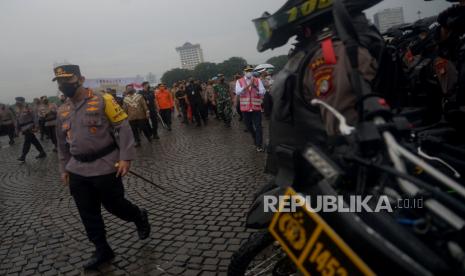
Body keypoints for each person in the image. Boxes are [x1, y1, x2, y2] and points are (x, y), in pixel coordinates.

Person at [53, 64, 150, 270]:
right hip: (77, 169)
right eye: (60, 82)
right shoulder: (62, 110)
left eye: (67, 80)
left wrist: (126, 157)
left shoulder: (102, 99)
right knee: (87, 212)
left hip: (105, 165)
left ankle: (138, 215)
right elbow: (61, 144)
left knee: (115, 205)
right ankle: (102, 248)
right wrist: (63, 169)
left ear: (80, 79)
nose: (64, 85)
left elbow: (122, 127)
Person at [235, 66, 266, 152]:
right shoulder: (239, 81)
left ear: (252, 71)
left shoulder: (257, 80)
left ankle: (259, 145)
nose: (249, 72)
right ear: (244, 72)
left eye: (250, 71)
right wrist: (247, 86)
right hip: (245, 108)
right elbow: (237, 92)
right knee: (248, 126)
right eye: (247, 71)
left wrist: (255, 87)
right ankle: (255, 137)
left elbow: (263, 91)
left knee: (258, 126)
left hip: (256, 107)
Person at [15, 97, 46, 162]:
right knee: (34, 141)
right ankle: (42, 152)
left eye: (18, 101)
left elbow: (34, 116)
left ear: (22, 101)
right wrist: (17, 130)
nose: (17, 103)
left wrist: (36, 126)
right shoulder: (17, 110)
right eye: (16, 101)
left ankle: (23, 156)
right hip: (24, 128)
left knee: (27, 142)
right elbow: (17, 120)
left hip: (30, 127)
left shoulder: (27, 107)